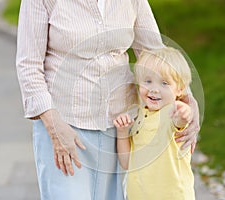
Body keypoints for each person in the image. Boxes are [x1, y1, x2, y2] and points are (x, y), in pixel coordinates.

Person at [16, 0, 199, 199]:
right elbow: (28, 66)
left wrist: (188, 99)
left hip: (118, 127)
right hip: (64, 127)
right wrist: (53, 127)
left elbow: (153, 50)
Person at [113, 47, 196, 200]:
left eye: (164, 83)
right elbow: (127, 163)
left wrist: (185, 112)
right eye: (148, 81)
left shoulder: (170, 113)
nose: (154, 89)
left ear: (180, 90)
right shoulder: (139, 117)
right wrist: (122, 133)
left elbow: (179, 120)